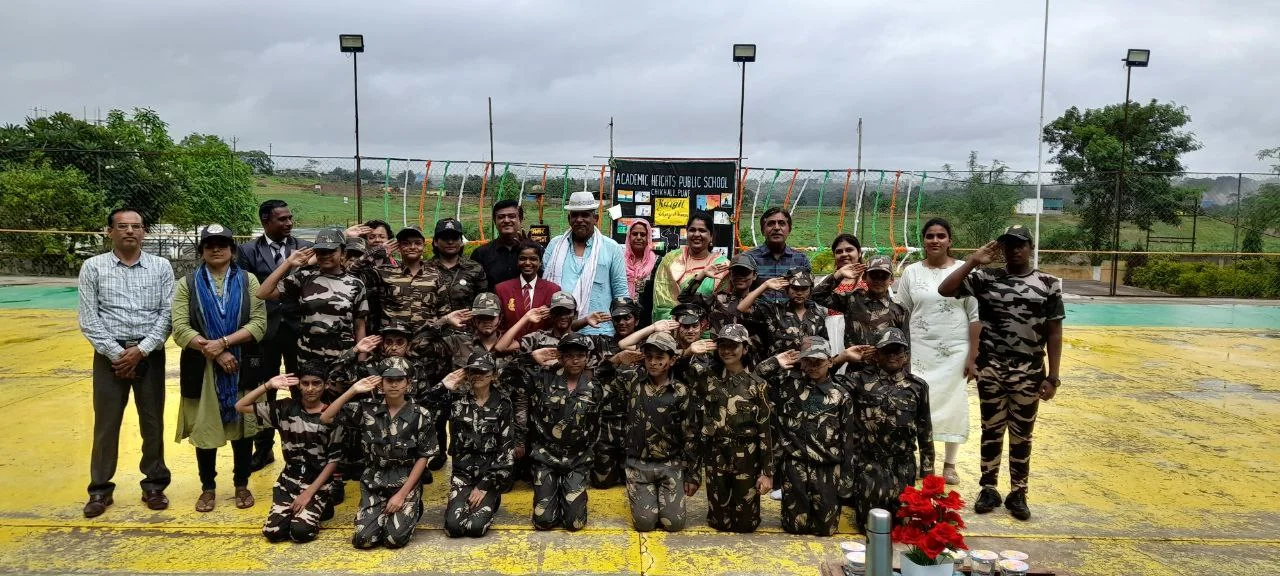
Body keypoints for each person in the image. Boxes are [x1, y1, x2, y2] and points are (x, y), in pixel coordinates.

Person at [938, 224, 1064, 522]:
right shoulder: (986, 278)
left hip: (1029, 369)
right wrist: (973, 261)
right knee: (991, 430)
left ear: (1030, 247)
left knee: (1022, 434)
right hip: (992, 368)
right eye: (1008, 245)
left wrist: (1053, 376)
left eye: (1020, 244)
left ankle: (1018, 492)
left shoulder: (1048, 283)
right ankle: (989, 488)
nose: (1014, 250)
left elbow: (1054, 332)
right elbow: (945, 289)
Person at [78, 208, 175, 518]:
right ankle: (100, 489)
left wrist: (141, 350)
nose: (130, 231)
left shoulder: (161, 267)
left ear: (144, 231)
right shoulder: (93, 267)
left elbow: (167, 314)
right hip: (110, 357)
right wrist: (117, 354)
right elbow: (89, 318)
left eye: (136, 226)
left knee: (152, 422)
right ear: (110, 232)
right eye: (122, 226)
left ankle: (154, 485)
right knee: (106, 424)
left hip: (150, 354)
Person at [172, 224, 268, 512]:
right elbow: (180, 328)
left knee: (244, 427)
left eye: (222, 244)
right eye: (209, 245)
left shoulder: (249, 281)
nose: (216, 249)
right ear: (201, 250)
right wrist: (214, 352)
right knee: (206, 429)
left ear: (232, 249)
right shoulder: (187, 284)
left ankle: (241, 484)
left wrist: (224, 343)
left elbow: (259, 324)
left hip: (242, 364)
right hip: (203, 368)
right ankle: (208, 488)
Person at [894, 218, 980, 485]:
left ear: (950, 240)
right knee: (918, 405)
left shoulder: (965, 271)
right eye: (929, 236)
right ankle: (922, 461)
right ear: (923, 241)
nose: (935, 240)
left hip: (955, 351)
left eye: (941, 236)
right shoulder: (911, 272)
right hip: (919, 350)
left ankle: (950, 464)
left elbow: (975, 316)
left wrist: (973, 356)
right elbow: (901, 311)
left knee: (953, 404)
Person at [321, 360, 437, 549]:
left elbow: (423, 456)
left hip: (404, 480)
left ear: (408, 383)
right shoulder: (367, 409)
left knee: (394, 539)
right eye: (389, 380)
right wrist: (353, 390)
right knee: (363, 540)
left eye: (399, 379)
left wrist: (402, 495)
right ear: (380, 384)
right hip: (374, 480)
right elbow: (326, 417)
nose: (394, 384)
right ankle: (380, 513)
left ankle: (413, 508)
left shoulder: (420, 414)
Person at [237, 199, 312, 471]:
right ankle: (264, 449)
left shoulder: (304, 247)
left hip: (298, 329)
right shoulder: (247, 251)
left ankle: (303, 446)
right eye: (282, 219)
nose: (289, 223)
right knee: (265, 390)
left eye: (290, 218)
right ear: (265, 221)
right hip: (264, 332)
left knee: (301, 388)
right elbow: (247, 289)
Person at [598, 332, 700, 533]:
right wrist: (616, 359)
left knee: (673, 524)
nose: (653, 362)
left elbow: (690, 433)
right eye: (649, 357)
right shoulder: (632, 381)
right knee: (645, 524)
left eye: (660, 357)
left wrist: (692, 475)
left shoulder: (680, 391)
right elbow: (600, 378)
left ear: (672, 360)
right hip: (638, 465)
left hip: (669, 464)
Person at [755, 338, 854, 536]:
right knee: (794, 528)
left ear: (830, 361)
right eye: (808, 361)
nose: (813, 366)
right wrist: (775, 361)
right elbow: (756, 377)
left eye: (818, 361)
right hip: (795, 467)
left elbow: (848, 441)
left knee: (825, 529)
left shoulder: (841, 395)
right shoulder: (787, 387)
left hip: (827, 469)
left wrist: (846, 481)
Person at [235, 367, 343, 543]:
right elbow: (240, 406)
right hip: (289, 480)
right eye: (305, 383)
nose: (310, 388)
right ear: (299, 385)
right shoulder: (285, 408)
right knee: (273, 532)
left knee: (300, 532)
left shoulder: (330, 415)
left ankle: (322, 507)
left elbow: (333, 460)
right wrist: (268, 385)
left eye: (316, 383)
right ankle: (307, 510)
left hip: (317, 482)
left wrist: (308, 493)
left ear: (325, 385)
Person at [843, 327, 935, 527]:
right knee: (870, 525)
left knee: (903, 526)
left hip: (903, 465)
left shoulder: (918, 387)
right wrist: (843, 357)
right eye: (887, 351)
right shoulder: (859, 380)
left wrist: (928, 471)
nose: (892, 355)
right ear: (876, 355)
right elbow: (825, 382)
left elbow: (925, 429)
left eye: (897, 351)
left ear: (906, 356)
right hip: (870, 466)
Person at [256, 228, 369, 387]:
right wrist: (288, 263)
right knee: (311, 399)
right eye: (321, 251)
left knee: (341, 399)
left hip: (343, 356)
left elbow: (359, 326)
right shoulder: (304, 278)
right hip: (309, 355)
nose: (326, 255)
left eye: (331, 251)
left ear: (343, 253)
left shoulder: (355, 284)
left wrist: (361, 362)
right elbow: (262, 293)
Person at [521, 333, 604, 531]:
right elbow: (510, 374)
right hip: (546, 457)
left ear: (587, 358)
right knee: (543, 521)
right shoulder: (543, 380)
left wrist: (586, 454)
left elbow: (595, 426)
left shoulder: (594, 388)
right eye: (569, 356)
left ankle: (568, 492)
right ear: (560, 357)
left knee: (574, 523)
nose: (575, 360)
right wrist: (531, 357)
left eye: (580, 355)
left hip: (576, 459)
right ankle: (553, 492)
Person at [700, 324, 773, 533]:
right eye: (722, 345)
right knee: (719, 522)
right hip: (717, 455)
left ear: (745, 349)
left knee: (746, 524)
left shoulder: (758, 385)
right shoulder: (709, 380)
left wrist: (767, 473)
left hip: (746, 458)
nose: (727, 351)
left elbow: (765, 430)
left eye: (733, 346)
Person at [439, 352, 515, 538]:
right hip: (462, 475)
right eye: (474, 371)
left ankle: (492, 498)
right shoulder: (457, 400)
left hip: (489, 475)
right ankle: (464, 501)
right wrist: (442, 387)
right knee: (454, 528)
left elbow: (506, 450)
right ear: (467, 374)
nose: (478, 375)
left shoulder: (503, 403)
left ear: (493, 374)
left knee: (475, 528)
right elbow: (423, 409)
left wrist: (484, 485)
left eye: (483, 371)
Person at [542, 191, 629, 336]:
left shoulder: (611, 248)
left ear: (595, 218)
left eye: (585, 215)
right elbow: (545, 287)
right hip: (559, 331)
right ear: (569, 219)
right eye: (575, 215)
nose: (579, 220)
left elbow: (621, 293)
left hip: (599, 331)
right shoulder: (555, 245)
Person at [353, 224, 449, 337]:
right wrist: (377, 252)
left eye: (417, 243)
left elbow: (444, 312)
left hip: (426, 340)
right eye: (406, 243)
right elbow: (351, 272)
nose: (412, 247)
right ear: (398, 247)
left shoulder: (435, 274)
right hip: (393, 341)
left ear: (423, 246)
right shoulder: (384, 272)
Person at [813, 257, 910, 349]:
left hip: (886, 360)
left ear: (891, 280)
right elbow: (816, 296)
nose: (878, 280)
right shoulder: (851, 300)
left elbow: (905, 348)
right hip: (855, 360)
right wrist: (837, 275)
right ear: (864, 277)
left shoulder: (899, 309)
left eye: (884, 276)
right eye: (874, 275)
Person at [651, 211, 729, 322]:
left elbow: (723, 308)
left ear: (711, 236)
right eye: (692, 230)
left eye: (702, 230)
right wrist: (678, 323)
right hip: (673, 325)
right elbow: (662, 303)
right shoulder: (671, 260)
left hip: (708, 328)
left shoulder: (722, 265)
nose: (696, 234)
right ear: (686, 233)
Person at [738, 267, 829, 356]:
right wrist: (765, 285)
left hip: (809, 364)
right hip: (779, 365)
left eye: (804, 288)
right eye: (795, 288)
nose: (799, 293)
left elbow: (825, 346)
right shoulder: (775, 310)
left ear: (810, 290)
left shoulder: (819, 313)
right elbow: (742, 308)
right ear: (786, 289)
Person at [493, 240, 561, 340]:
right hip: (509, 346)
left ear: (540, 262)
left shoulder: (553, 290)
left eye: (533, 259)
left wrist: (552, 314)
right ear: (517, 261)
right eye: (523, 259)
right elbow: (498, 324)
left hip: (542, 346)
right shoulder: (502, 289)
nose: (527, 263)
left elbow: (559, 322)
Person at [746, 207, 810, 302]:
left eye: (782, 223)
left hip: (790, 311)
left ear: (789, 229)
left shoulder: (801, 259)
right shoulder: (749, 258)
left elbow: (807, 293)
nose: (776, 228)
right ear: (763, 230)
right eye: (771, 223)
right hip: (757, 311)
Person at [431, 217, 489, 314]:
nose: (450, 242)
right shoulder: (425, 268)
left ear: (461, 241)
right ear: (435, 242)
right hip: (435, 323)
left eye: (454, 238)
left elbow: (483, 301)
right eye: (445, 238)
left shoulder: (475, 268)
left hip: (467, 323)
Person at [821, 234, 866, 354]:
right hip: (831, 335)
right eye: (839, 251)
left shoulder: (872, 279)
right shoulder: (827, 281)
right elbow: (816, 301)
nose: (844, 254)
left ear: (859, 253)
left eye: (849, 250)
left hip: (862, 337)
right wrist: (839, 274)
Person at [470, 200, 527, 285]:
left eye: (511, 216)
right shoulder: (481, 254)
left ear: (520, 219)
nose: (506, 220)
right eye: (501, 217)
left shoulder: (534, 251)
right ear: (495, 221)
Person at [622, 219, 656, 300]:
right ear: (629, 236)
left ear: (648, 238)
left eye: (643, 235)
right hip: (622, 306)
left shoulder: (656, 262)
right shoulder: (619, 259)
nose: (638, 237)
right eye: (634, 234)